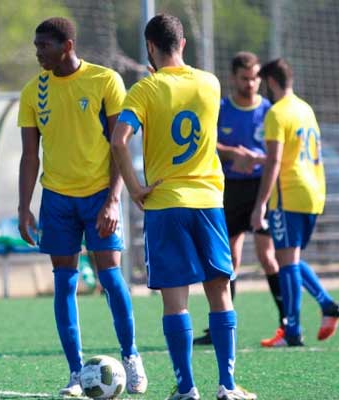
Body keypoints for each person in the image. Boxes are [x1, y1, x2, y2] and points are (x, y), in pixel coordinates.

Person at [111, 14, 256, 400]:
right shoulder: (209, 84)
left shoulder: (144, 89)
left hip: (165, 203)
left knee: (175, 300)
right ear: (184, 44)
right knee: (219, 292)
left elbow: (119, 140)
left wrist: (135, 187)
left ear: (150, 49)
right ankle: (227, 385)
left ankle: (187, 387)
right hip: (208, 201)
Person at [16, 17, 147, 397]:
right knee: (64, 283)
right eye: (36, 45)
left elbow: (118, 145)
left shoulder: (105, 80)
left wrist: (112, 200)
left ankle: (132, 358)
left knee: (109, 276)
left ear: (67, 46)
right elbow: (29, 156)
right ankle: (76, 373)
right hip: (57, 198)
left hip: (98, 195)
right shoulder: (32, 91)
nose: (38, 52)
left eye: (44, 46)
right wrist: (25, 207)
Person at [193, 51, 286, 348]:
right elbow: (207, 142)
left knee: (267, 256)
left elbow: (277, 154)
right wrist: (234, 154)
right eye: (245, 78)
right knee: (228, 257)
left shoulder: (269, 110)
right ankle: (222, 325)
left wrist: (258, 159)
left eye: (255, 78)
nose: (251, 84)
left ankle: (287, 322)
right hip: (230, 188)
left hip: (261, 189)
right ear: (233, 78)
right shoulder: (221, 109)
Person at [250, 58, 339, 347]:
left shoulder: (277, 113)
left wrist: (260, 204)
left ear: (272, 82)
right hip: (314, 192)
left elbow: (276, 161)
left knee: (287, 264)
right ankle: (326, 305)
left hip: (288, 194)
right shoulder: (305, 109)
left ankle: (292, 332)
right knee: (289, 260)